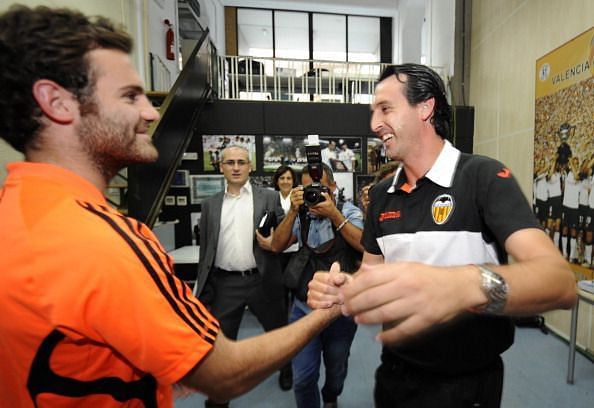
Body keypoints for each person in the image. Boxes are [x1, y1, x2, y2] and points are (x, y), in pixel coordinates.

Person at [0, 5, 341, 407]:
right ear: (56, 103)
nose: (149, 112)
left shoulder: (16, 209)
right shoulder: (105, 241)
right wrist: (324, 312)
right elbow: (224, 372)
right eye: (130, 95)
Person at [307, 63, 577, 408]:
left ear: (425, 107)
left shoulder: (484, 176)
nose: (375, 124)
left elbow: (558, 283)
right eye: (374, 112)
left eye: (386, 108)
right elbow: (370, 275)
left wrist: (464, 285)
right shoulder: (381, 195)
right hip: (395, 374)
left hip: (467, 382)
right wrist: (344, 287)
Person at [195, 145, 293, 404]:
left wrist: (276, 240)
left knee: (278, 333)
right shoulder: (210, 205)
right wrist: (202, 288)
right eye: (230, 163)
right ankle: (219, 397)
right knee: (221, 345)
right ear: (221, 167)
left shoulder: (268, 198)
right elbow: (206, 250)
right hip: (225, 284)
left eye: (241, 162)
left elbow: (286, 232)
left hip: (263, 279)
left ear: (250, 166)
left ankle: (286, 368)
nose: (236, 167)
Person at [270, 163, 364, 408]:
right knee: (303, 378)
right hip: (303, 307)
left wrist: (334, 215)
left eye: (319, 186)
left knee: (336, 370)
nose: (314, 192)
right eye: (307, 188)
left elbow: (365, 245)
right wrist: (292, 211)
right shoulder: (302, 216)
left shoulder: (348, 211)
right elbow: (276, 245)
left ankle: (331, 397)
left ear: (332, 186)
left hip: (340, 309)